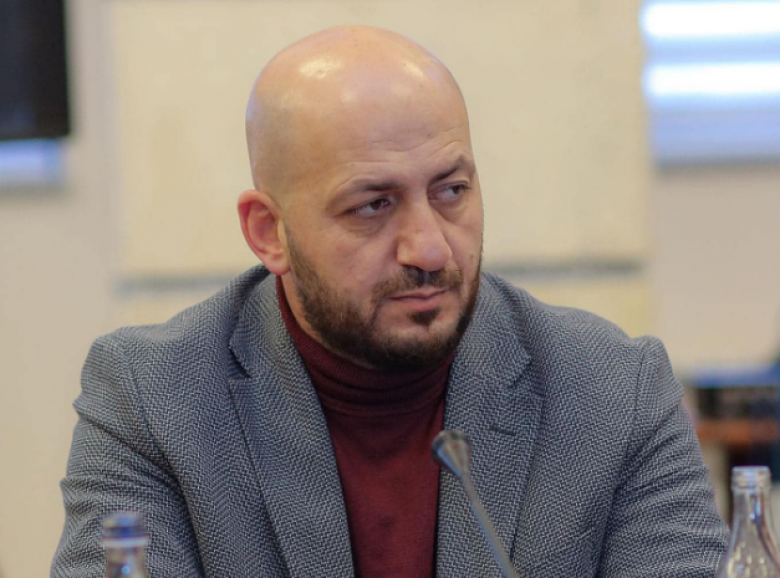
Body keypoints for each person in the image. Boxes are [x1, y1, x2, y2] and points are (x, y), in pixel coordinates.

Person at [52, 26, 728, 578]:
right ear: (269, 232)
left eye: (451, 191)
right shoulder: (152, 399)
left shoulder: (615, 390)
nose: (429, 249)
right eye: (373, 205)